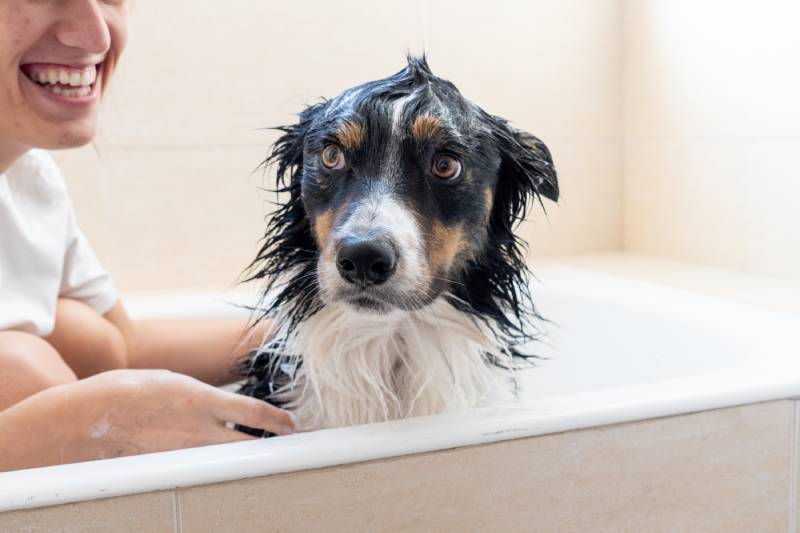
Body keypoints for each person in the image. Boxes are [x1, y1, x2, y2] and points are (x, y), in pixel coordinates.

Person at [0, 0, 293, 472]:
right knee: (18, 365)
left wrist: (306, 334)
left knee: (81, 333)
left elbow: (121, 348)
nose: (96, 37)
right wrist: (71, 428)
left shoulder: (30, 183)